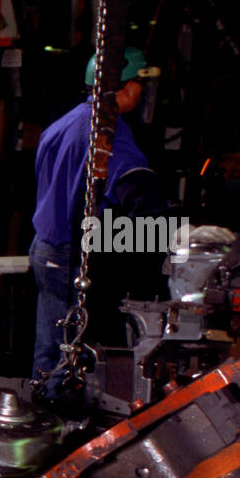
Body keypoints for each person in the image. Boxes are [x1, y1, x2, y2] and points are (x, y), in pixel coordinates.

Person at [30, 47, 172, 395]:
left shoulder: (62, 124)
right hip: (68, 255)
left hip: (44, 250)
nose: (141, 91)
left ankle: (41, 413)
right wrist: (166, 227)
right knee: (71, 353)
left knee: (50, 347)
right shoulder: (106, 130)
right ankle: (59, 425)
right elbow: (132, 183)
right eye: (138, 82)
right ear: (121, 87)